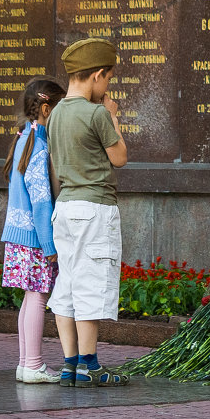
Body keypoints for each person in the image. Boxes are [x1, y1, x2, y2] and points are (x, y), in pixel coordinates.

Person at [47, 38, 131, 387]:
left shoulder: (54, 115)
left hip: (64, 208)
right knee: (90, 286)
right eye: (108, 78)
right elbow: (120, 158)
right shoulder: (97, 114)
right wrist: (113, 115)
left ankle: (69, 364)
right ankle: (90, 366)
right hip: (94, 208)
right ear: (96, 75)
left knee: (66, 287)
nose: (108, 86)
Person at [1, 76, 68, 384]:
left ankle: (25, 362)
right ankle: (33, 364)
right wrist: (50, 246)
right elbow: (41, 203)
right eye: (60, 109)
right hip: (35, 238)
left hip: (19, 235)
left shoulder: (24, 139)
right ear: (45, 108)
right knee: (38, 298)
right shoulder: (38, 145)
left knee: (30, 299)